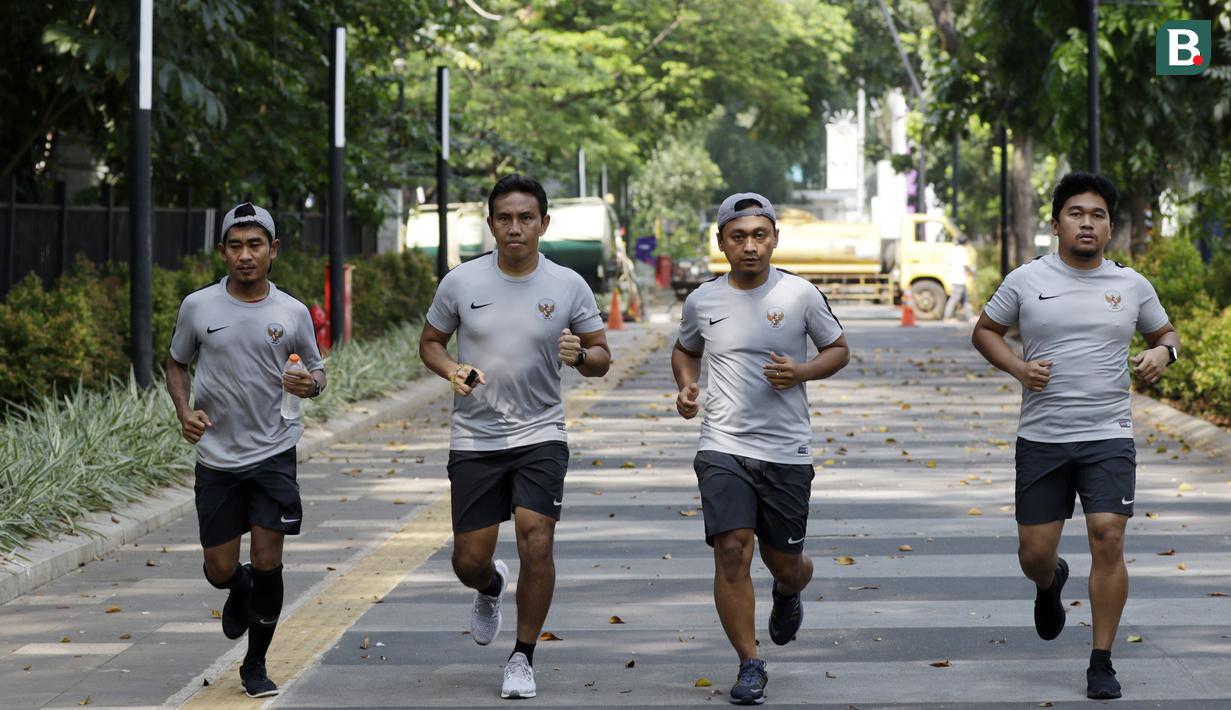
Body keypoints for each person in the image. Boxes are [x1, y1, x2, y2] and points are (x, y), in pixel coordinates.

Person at [972, 172, 1179, 700]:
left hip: (1108, 432)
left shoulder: (1131, 285)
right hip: (1042, 438)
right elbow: (985, 331)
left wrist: (1163, 353)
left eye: (1098, 215)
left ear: (1110, 226)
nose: (1087, 223)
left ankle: (1102, 661)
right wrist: (1019, 369)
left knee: (1109, 536)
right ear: (1057, 223)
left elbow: (1166, 334)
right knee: (1033, 554)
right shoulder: (1026, 279)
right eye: (1076, 213)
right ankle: (1049, 581)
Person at [418, 174, 611, 700]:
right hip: (476, 439)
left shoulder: (568, 285)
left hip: (541, 433)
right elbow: (431, 342)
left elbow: (600, 356)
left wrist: (581, 357)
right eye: (505, 218)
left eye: (526, 218)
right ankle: (490, 587)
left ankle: (523, 657)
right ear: (491, 224)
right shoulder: (461, 282)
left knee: (537, 540)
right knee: (468, 561)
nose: (515, 228)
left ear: (544, 223)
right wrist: (451, 368)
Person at [672, 192, 849, 705]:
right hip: (722, 444)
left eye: (760, 235)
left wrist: (802, 371)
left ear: (774, 239)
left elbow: (837, 349)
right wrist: (686, 386)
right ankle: (750, 663)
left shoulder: (800, 295)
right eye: (738, 236)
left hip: (786, 450)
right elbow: (686, 349)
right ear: (721, 243)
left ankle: (791, 588)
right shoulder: (702, 300)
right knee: (732, 551)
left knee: (786, 563)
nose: (750, 246)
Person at [165, 202, 326, 698]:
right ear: (222, 251)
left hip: (273, 452)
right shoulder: (198, 307)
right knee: (218, 568)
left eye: (255, 245)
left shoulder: (292, 312)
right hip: (216, 456)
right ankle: (239, 587)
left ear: (273, 249)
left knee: (268, 555)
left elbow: (317, 373)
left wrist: (309, 385)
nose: (245, 255)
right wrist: (183, 411)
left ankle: (255, 664)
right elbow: (175, 364)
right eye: (235, 246)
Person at [943, 235, 975, 321]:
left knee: (965, 299)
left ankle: (970, 316)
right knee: (955, 298)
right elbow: (965, 265)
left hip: (954, 277)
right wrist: (972, 271)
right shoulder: (963, 251)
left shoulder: (953, 250)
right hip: (959, 278)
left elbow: (949, 263)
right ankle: (947, 316)